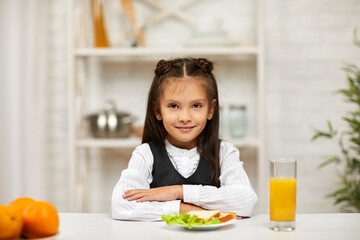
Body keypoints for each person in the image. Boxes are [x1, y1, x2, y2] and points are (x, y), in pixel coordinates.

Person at [111, 57, 257, 221]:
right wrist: (186, 209)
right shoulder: (145, 154)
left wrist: (178, 191)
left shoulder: (224, 152)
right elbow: (121, 205)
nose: (185, 117)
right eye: (173, 106)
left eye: (196, 106)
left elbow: (246, 200)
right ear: (157, 110)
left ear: (211, 109)